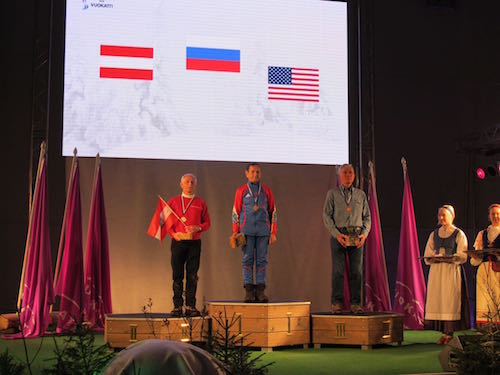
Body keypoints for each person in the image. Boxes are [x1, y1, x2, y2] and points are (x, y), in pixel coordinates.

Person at [323, 164, 371, 314]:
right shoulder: (332, 194)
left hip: (357, 236)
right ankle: (336, 303)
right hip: (339, 235)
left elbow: (367, 217)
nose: (348, 175)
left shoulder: (360, 195)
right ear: (339, 175)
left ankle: (356, 304)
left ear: (354, 175)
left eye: (351, 172)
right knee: (338, 271)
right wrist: (336, 234)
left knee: (356, 271)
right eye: (345, 172)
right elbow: (326, 216)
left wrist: (365, 234)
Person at [423, 205, 469, 345]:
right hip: (437, 271)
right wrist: (434, 257)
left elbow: (463, 254)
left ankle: (449, 333)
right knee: (439, 299)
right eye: (440, 215)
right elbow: (427, 254)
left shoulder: (458, 233)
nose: (442, 218)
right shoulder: (434, 234)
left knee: (450, 300)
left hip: (451, 271)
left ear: (452, 216)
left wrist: (451, 257)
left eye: (444, 215)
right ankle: (443, 332)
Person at [232, 163, 277, 303]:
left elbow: (273, 212)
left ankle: (261, 291)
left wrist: (273, 232)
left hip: (264, 231)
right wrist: (235, 231)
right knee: (247, 260)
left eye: (257, 172)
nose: (255, 174)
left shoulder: (266, 191)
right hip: (246, 232)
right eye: (252, 172)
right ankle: (249, 292)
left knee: (262, 261)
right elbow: (235, 212)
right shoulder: (241, 191)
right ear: (246, 173)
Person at [167, 174, 210, 317]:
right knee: (177, 275)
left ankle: (191, 305)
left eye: (192, 182)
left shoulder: (200, 202)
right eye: (187, 182)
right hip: (178, 243)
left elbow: (207, 223)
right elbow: (167, 223)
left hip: (194, 244)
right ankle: (177, 306)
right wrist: (174, 234)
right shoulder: (173, 202)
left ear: (195, 185)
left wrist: (198, 228)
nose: (189, 184)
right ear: (181, 184)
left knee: (192, 275)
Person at [470, 203, 500, 325]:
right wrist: (475, 256)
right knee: (484, 298)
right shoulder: (483, 233)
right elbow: (476, 254)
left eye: (498, 214)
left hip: (498, 269)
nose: (496, 216)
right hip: (484, 269)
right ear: (489, 216)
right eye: (493, 214)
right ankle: (485, 328)